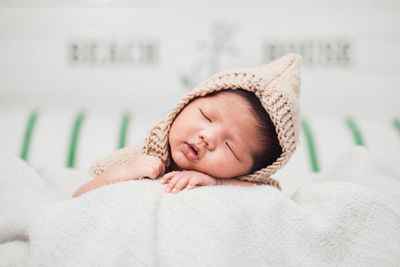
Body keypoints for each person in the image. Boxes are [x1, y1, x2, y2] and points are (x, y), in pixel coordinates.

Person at [72, 54, 301, 197]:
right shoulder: (143, 155)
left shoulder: (246, 186)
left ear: (252, 172)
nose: (207, 137)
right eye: (205, 116)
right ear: (187, 103)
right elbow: (78, 200)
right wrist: (123, 171)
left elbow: (270, 195)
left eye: (230, 147)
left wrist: (218, 183)